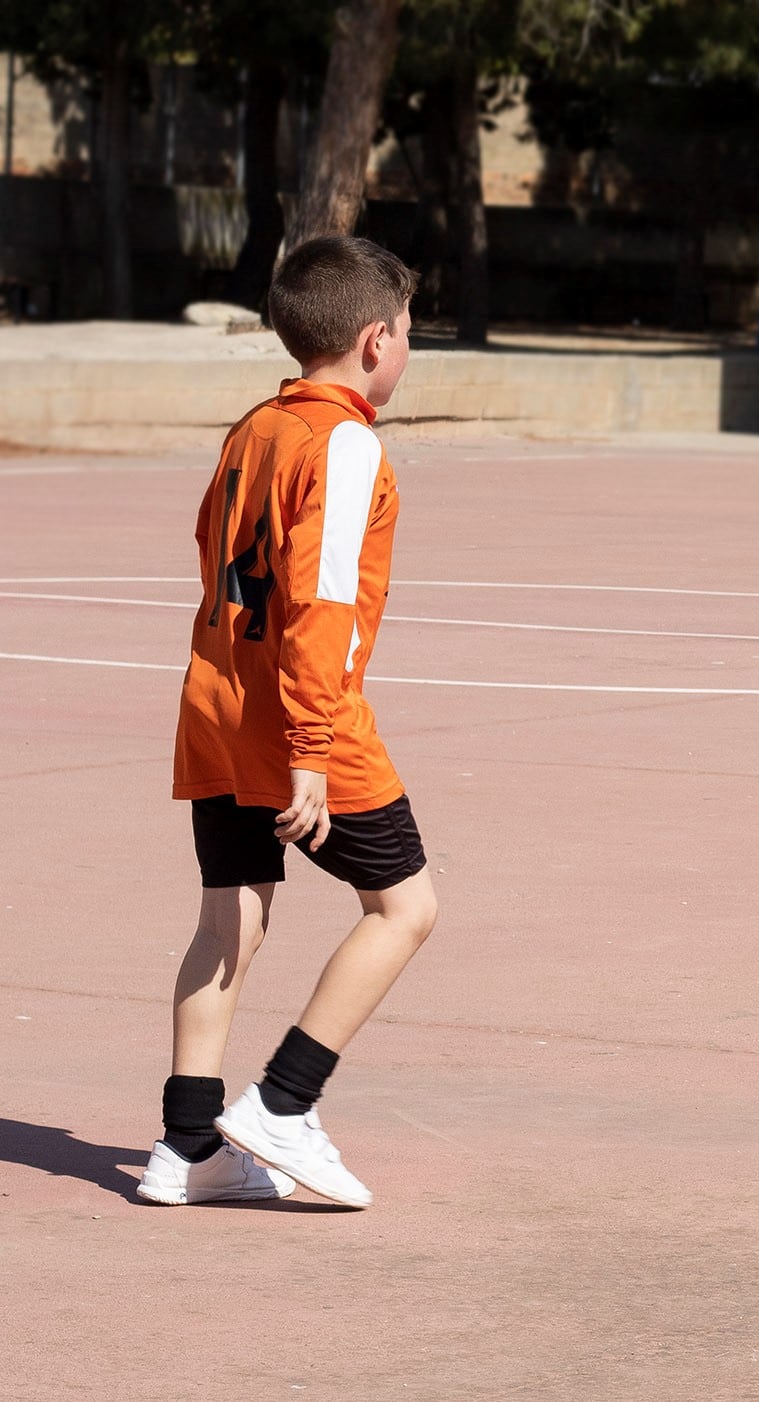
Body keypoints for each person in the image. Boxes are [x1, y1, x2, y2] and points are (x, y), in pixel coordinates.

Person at [139, 235, 439, 1209]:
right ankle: (283, 1102)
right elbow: (322, 602)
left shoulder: (255, 425)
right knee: (404, 908)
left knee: (233, 911)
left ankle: (187, 1147)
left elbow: (208, 548)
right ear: (371, 341)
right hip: (302, 719)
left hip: (216, 703)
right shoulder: (345, 443)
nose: (407, 346)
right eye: (406, 331)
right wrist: (310, 748)